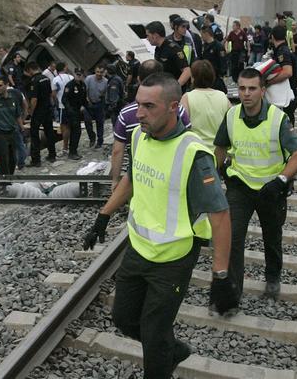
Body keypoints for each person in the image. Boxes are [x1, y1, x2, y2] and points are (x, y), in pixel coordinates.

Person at [81, 73, 235, 378]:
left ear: (173, 107)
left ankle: (162, 356)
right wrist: (104, 215)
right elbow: (132, 178)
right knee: (124, 318)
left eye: (148, 106)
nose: (139, 113)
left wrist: (221, 275)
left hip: (173, 259)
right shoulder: (139, 136)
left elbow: (220, 216)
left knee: (153, 335)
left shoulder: (195, 154)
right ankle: (172, 349)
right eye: (138, 104)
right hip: (139, 248)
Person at [213, 67, 297, 302]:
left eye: (252, 88)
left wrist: (281, 180)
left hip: (270, 190)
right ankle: (233, 292)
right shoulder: (232, 115)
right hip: (240, 187)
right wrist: (220, 169)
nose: (246, 94)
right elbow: (220, 147)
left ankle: (273, 278)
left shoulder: (278, 118)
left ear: (262, 91)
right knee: (233, 239)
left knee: (272, 236)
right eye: (242, 88)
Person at [110, 60, 191, 190]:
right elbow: (187, 139)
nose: (140, 114)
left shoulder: (125, 114)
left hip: (139, 176)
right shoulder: (178, 110)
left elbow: (117, 150)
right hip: (171, 177)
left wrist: (115, 180)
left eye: (149, 106)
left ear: (138, 79)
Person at [180, 60, 230, 147]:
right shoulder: (222, 96)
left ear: (193, 78)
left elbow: (182, 125)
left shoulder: (187, 97)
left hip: (196, 148)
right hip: (219, 148)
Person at [24, 61, 57, 166]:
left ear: (30, 70)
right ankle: (52, 155)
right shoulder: (46, 78)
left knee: (34, 134)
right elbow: (50, 94)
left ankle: (36, 160)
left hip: (38, 111)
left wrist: (31, 112)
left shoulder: (34, 81)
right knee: (49, 132)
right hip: (47, 109)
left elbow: (34, 99)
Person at [266, 25, 297, 124]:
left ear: (272, 37)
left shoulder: (282, 51)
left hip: (287, 95)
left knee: (285, 125)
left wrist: (268, 82)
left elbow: (287, 72)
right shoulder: (281, 49)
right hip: (286, 94)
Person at [146, 21, 191, 90]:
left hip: (173, 92)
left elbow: (187, 71)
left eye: (148, 35)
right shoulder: (158, 48)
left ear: (155, 35)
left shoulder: (173, 49)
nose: (147, 38)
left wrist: (175, 87)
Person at [61, 69, 87, 160]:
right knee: (75, 131)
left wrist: (85, 106)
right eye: (77, 74)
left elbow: (84, 98)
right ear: (74, 74)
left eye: (80, 75)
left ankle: (74, 151)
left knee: (77, 132)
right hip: (71, 112)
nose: (78, 76)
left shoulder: (83, 85)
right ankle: (72, 152)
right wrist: (70, 110)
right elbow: (64, 99)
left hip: (78, 111)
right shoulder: (70, 85)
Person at [52, 62, 75, 153]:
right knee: (73, 126)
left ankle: (65, 147)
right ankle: (73, 145)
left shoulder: (55, 80)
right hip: (73, 105)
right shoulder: (71, 77)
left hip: (62, 106)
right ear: (64, 68)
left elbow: (53, 94)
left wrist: (56, 103)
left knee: (64, 127)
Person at [84, 65, 108, 149]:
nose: (99, 74)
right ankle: (92, 137)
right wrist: (87, 100)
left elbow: (105, 94)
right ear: (95, 71)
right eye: (97, 72)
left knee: (100, 123)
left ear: (103, 73)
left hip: (99, 103)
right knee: (87, 121)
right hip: (89, 103)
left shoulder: (105, 82)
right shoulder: (89, 79)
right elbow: (85, 91)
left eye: (101, 72)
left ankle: (100, 141)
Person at [199, 25, 227, 93]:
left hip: (215, 77)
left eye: (202, 34)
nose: (201, 36)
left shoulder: (218, 46)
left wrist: (222, 74)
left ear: (206, 34)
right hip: (205, 76)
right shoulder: (204, 46)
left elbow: (223, 62)